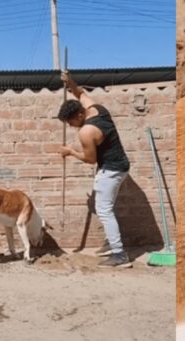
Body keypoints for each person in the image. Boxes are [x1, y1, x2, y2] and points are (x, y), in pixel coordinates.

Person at [57, 70, 132, 268]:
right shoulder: (97, 108)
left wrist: (70, 151)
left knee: (103, 210)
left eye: (71, 122)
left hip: (111, 170)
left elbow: (90, 160)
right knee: (107, 207)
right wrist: (69, 81)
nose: (71, 126)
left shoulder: (87, 131)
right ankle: (111, 241)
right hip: (121, 165)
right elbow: (79, 93)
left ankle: (119, 254)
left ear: (80, 115)